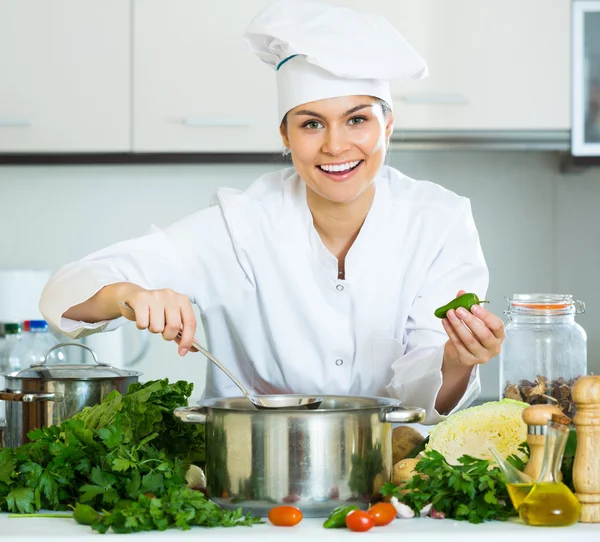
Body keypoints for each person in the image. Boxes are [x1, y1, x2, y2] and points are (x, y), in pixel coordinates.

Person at [39, 0, 504, 424]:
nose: (336, 145)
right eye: (311, 124)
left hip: (391, 479)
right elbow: (65, 292)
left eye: (357, 119)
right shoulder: (240, 224)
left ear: (388, 125)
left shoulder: (439, 221)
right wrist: (127, 294)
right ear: (285, 135)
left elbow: (421, 401)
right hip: (248, 476)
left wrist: (458, 359)